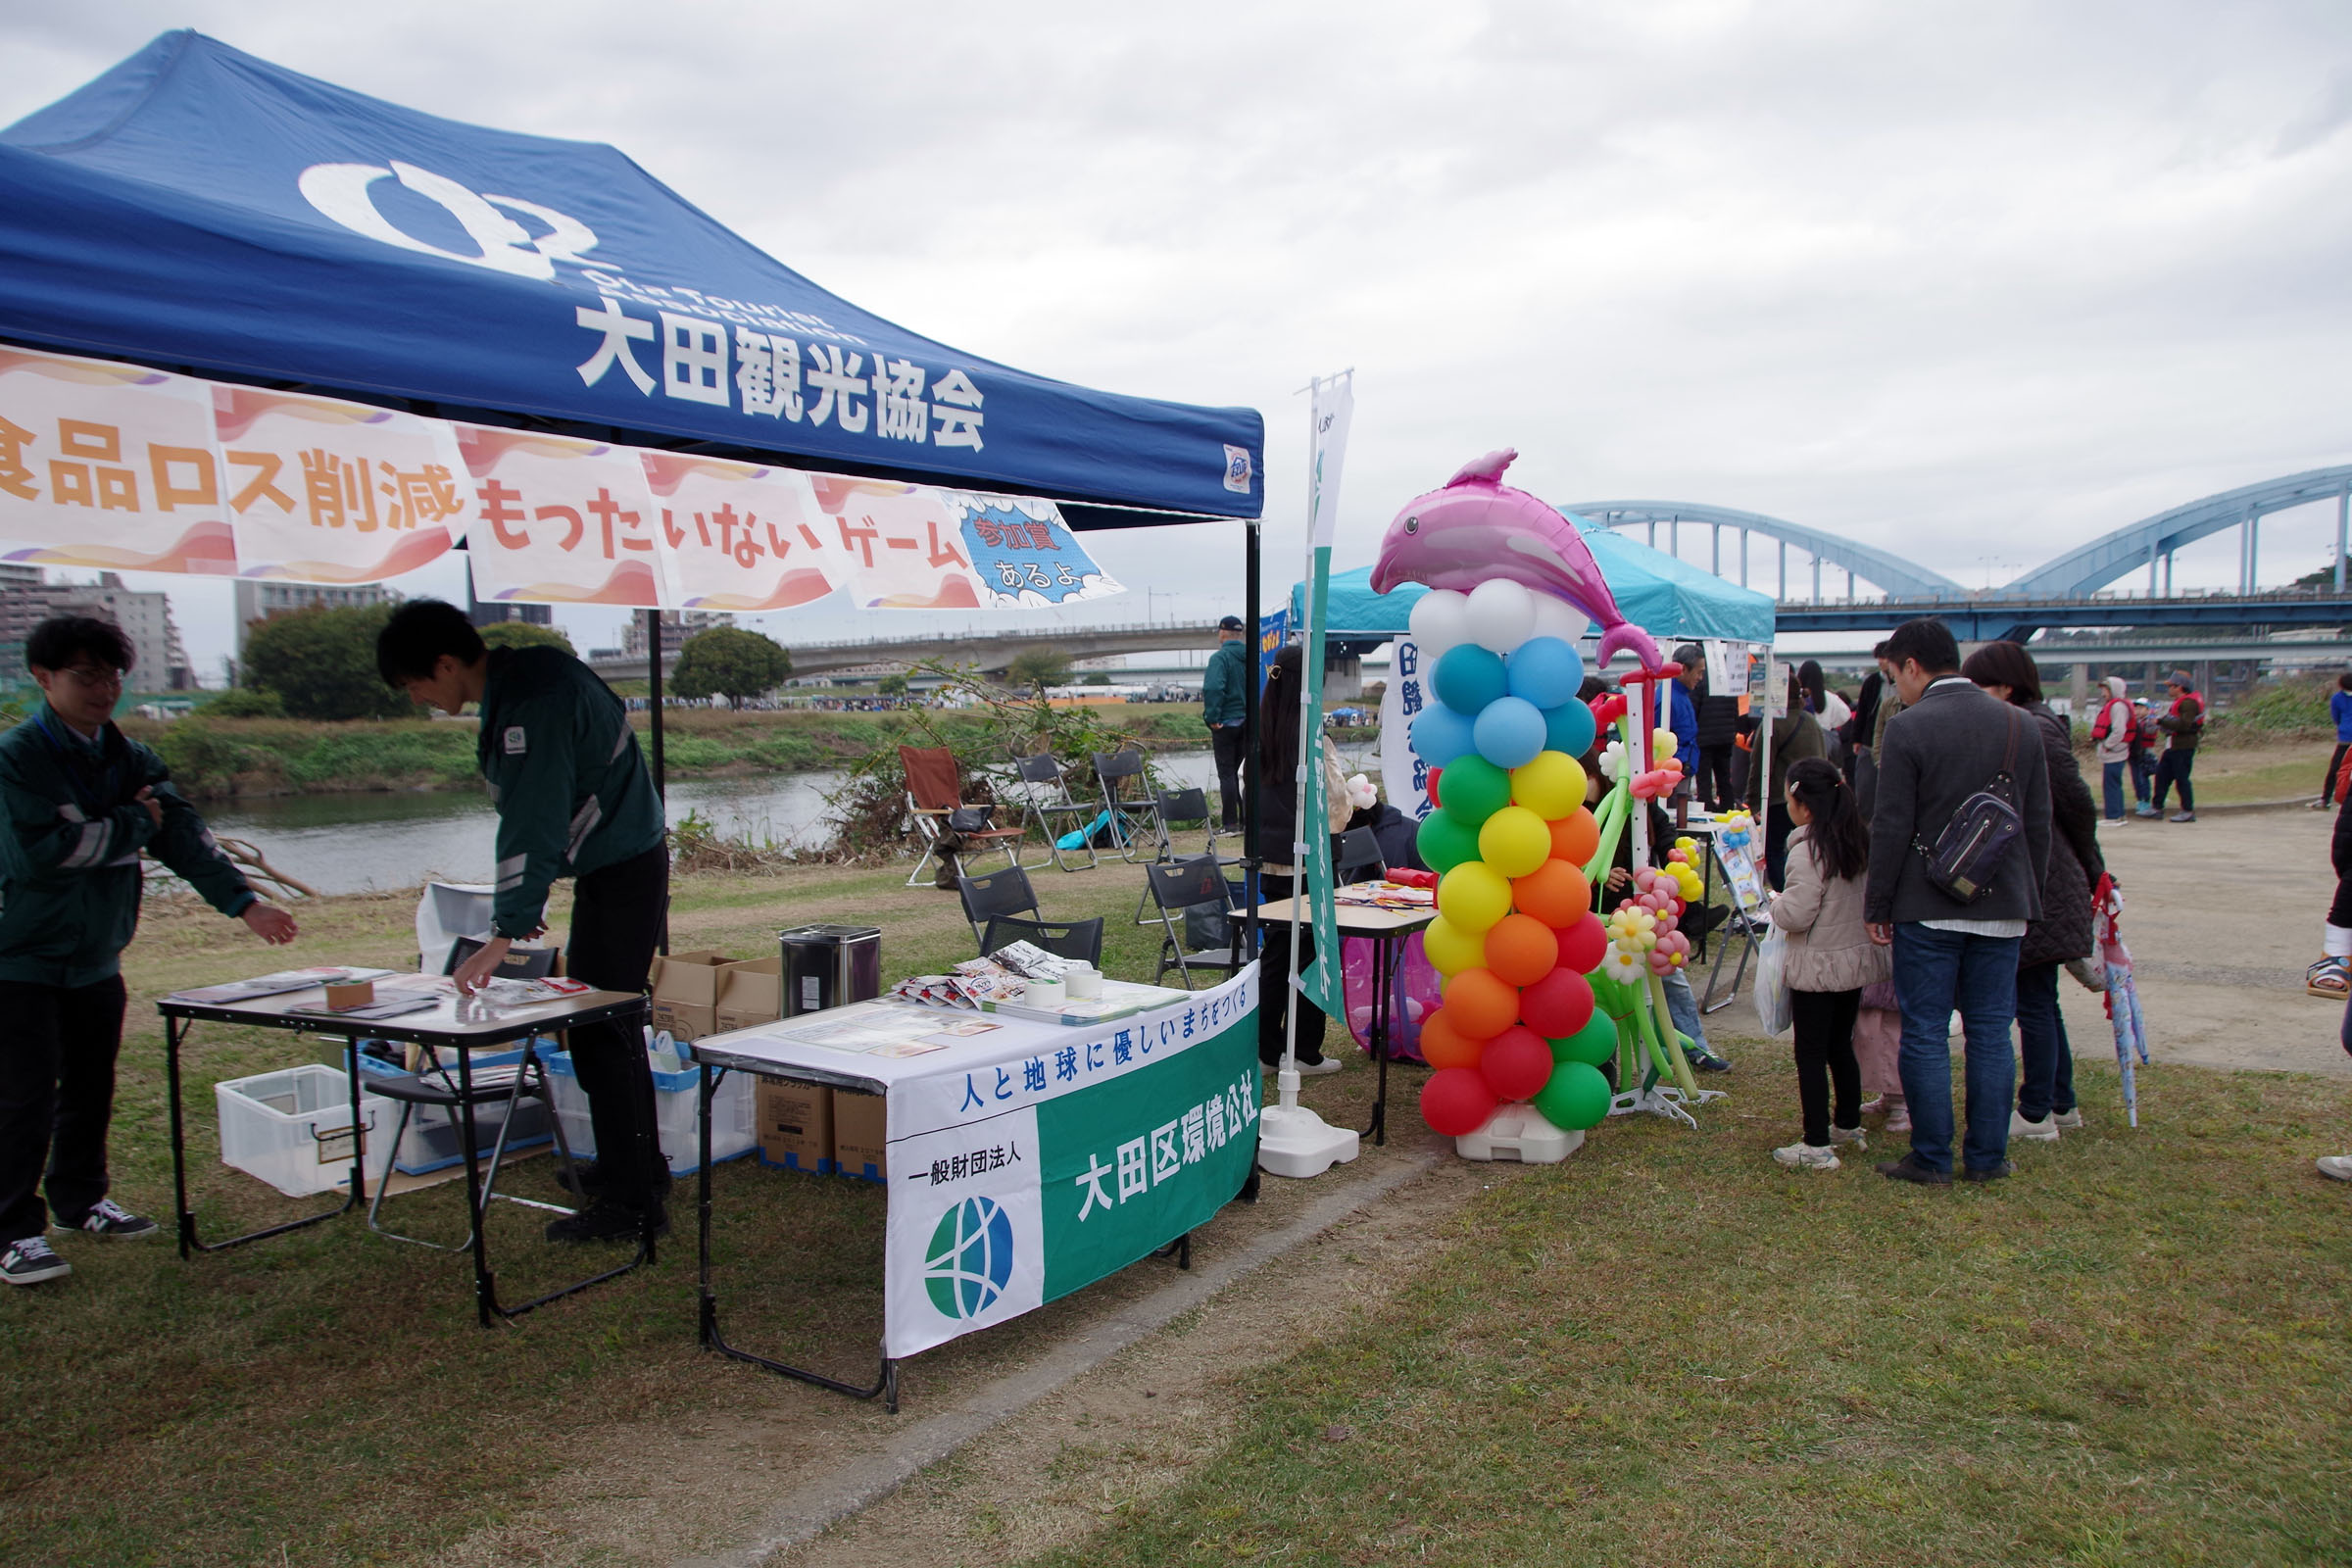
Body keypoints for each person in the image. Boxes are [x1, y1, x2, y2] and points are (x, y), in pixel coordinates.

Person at [1, 616, 300, 1287]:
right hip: (17, 956)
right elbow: (47, 855)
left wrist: (245, 904)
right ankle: (14, 1230)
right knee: (21, 1096)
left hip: (97, 954)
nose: (103, 689)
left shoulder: (126, 755)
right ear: (44, 679)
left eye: (112, 676)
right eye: (86, 677)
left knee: (90, 1083)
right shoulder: (18, 758)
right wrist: (135, 822)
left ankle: (81, 1200)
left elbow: (182, 834)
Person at [376, 601, 670, 1243]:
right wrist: (528, 903)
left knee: (602, 1030)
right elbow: (551, 807)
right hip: (613, 866)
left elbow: (531, 820)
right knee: (602, 1027)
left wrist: (502, 934)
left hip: (624, 868)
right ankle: (635, 1166)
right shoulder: (525, 680)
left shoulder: (530, 700)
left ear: (445, 663)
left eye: (415, 683)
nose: (418, 697)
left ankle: (635, 1201)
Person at [1864, 617, 2050, 1185]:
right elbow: (2038, 824)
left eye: (1895, 676)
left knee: (1925, 1029)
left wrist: (1879, 903)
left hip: (1927, 902)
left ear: (1913, 666)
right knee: (1991, 1031)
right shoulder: (2022, 725)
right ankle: (1988, 1158)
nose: (1897, 688)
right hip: (2004, 905)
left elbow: (1892, 824)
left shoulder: (1908, 728)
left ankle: (1932, 1156)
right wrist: (2027, 896)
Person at [1961, 642, 2105, 1144]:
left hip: (2044, 878)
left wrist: (2092, 866)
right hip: (2048, 876)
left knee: (2034, 1000)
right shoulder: (2034, 721)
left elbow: (2076, 803)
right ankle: (2061, 1103)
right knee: (2042, 997)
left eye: (1980, 686)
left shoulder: (2034, 728)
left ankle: (2037, 1111)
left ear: (2005, 685)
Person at [1767, 758, 1887, 1168]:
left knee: (1811, 1053)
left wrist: (1777, 905)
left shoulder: (1807, 852)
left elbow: (1798, 914)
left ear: (1805, 806)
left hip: (1817, 966)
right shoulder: (1857, 840)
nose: (1787, 807)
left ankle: (1816, 1143)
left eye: (1789, 800)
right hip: (1852, 961)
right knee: (1840, 1045)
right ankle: (1847, 1124)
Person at [1247, 646, 1343, 1074]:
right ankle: (1303, 1050)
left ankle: (1265, 1050)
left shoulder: (1259, 735)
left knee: (1276, 954)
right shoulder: (1313, 739)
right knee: (1311, 956)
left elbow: (1250, 798)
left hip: (1271, 862)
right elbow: (1336, 806)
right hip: (1310, 864)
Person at [1747, 668, 1827, 890]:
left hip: (1781, 799)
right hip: (1814, 800)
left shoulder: (1773, 724)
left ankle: (1786, 896)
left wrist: (1753, 801)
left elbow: (1760, 765)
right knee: (1806, 851)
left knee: (1775, 850)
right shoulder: (1810, 721)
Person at [1200, 616, 1250, 831]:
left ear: (1222, 633)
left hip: (1226, 724)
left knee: (1227, 774)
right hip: (1248, 722)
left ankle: (1230, 823)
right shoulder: (1252, 657)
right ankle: (1247, 821)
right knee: (1246, 773)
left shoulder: (1220, 658)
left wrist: (1212, 718)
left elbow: (1213, 688)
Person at [2143, 669, 2203, 823]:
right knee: (2162, 777)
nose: (2168, 689)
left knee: (2182, 779)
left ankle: (2188, 810)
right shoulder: (2182, 702)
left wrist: (2160, 721)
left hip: (2183, 747)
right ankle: (2157, 808)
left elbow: (2184, 724)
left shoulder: (2189, 703)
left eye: (2171, 686)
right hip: (2173, 746)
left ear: (2180, 687)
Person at [2088, 675, 2134, 827]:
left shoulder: (2117, 707)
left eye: (2106, 689)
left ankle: (2113, 816)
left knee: (2111, 784)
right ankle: (2118, 814)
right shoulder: (2115, 705)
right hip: (2114, 751)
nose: (2103, 693)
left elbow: (2119, 730)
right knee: (2114, 783)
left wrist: (2107, 745)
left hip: (2115, 752)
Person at [1667, 645, 1701, 788]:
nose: (1700, 678)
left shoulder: (1681, 695)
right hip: (1671, 775)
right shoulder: (1668, 698)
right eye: (1699, 672)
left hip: (1683, 769)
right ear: (1684, 669)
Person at [2319, 672, 2352, 811]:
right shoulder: (2337, 698)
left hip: (2345, 735)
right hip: (2345, 739)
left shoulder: (2337, 698)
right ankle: (2326, 798)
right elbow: (2336, 717)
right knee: (2335, 769)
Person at [2129, 698, 2159, 811]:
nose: (2137, 711)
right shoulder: (2134, 721)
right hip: (2134, 753)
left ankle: (2145, 800)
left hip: (2145, 753)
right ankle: (2140, 799)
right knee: (2136, 777)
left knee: (2143, 777)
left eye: (2141, 708)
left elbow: (2151, 731)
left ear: (2148, 710)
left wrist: (2152, 718)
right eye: (2136, 708)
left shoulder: (2150, 722)